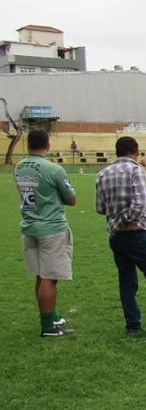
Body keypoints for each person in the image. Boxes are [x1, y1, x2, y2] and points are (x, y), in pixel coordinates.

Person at [96, 136, 146, 336]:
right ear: (135, 151)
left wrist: (117, 219)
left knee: (127, 281)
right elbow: (139, 202)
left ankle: (132, 325)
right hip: (134, 232)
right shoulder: (137, 170)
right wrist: (127, 220)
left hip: (115, 236)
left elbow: (100, 208)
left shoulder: (102, 174)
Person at [15, 130, 77, 337]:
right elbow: (71, 199)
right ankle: (48, 327)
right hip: (51, 228)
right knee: (50, 278)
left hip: (29, 225)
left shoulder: (19, 167)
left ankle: (52, 316)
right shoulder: (53, 169)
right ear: (48, 145)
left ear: (28, 145)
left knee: (41, 276)